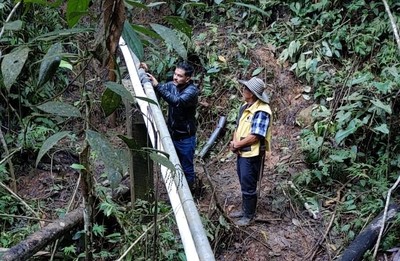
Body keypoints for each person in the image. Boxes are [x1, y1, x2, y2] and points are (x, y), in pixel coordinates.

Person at [143, 62, 199, 191]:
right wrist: (147, 71)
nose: (175, 77)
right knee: (173, 165)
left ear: (188, 78)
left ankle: (189, 197)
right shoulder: (172, 86)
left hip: (186, 137)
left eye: (179, 76)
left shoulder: (191, 91)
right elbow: (160, 87)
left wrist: (157, 86)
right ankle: (176, 193)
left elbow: (177, 102)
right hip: (172, 134)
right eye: (175, 74)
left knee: (187, 169)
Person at [229, 77, 272, 226]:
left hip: (252, 154)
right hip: (242, 151)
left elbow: (255, 136)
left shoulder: (261, 111)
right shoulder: (245, 107)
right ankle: (245, 210)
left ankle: (249, 215)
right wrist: (235, 143)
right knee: (243, 180)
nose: (243, 90)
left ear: (252, 93)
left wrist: (237, 145)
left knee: (249, 183)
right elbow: (238, 127)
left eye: (245, 89)